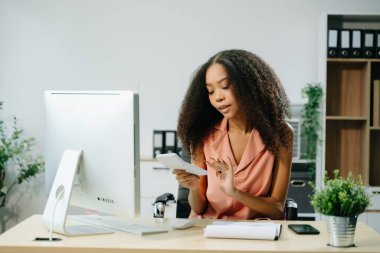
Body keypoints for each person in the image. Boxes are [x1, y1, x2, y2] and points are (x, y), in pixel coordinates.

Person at [174, 49, 294, 220]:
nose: (218, 98)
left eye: (224, 86)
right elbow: (199, 208)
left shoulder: (281, 133)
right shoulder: (202, 134)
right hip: (209, 232)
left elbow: (276, 208)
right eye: (210, 91)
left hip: (255, 234)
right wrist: (194, 188)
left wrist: (234, 192)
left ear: (248, 86)